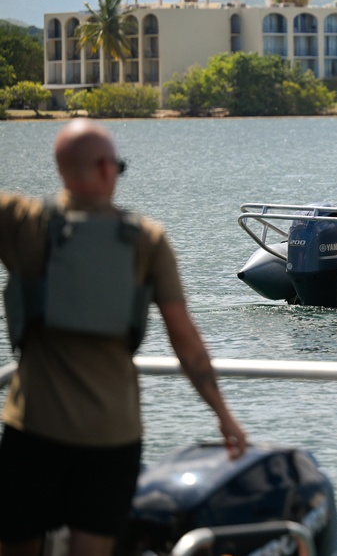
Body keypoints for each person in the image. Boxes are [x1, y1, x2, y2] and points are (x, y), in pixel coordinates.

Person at [0, 119, 247, 556]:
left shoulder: (22, 223)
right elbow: (185, 340)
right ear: (105, 168)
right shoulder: (146, 240)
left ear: (60, 168)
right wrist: (223, 415)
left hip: (33, 427)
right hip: (111, 435)